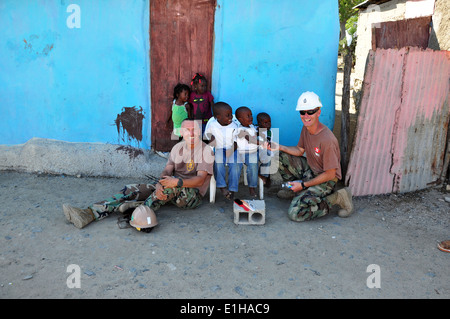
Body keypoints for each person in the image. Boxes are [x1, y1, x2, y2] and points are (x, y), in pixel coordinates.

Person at [63, 119, 214, 231]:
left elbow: (200, 181)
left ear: (199, 131)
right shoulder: (177, 148)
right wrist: (160, 183)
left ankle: (137, 217)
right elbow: (167, 171)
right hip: (172, 187)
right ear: (181, 132)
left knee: (169, 188)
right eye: (187, 130)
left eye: (194, 129)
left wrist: (176, 183)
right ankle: (89, 213)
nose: (191, 133)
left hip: (192, 196)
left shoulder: (205, 150)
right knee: (131, 189)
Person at [267, 91, 353, 222]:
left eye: (310, 112)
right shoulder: (306, 128)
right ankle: (295, 190)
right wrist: (279, 147)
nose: (306, 116)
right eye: (302, 112)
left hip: (327, 180)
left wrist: (303, 184)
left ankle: (337, 197)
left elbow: (331, 174)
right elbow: (299, 150)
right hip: (310, 170)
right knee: (278, 156)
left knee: (296, 213)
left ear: (318, 112)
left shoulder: (327, 140)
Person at [204, 102, 241, 200]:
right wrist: (211, 140)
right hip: (219, 149)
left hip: (233, 148)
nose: (231, 117)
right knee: (218, 162)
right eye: (228, 115)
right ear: (218, 117)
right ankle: (222, 187)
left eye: (231, 114)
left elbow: (237, 141)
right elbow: (207, 135)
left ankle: (232, 189)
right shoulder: (212, 125)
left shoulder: (234, 126)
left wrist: (231, 150)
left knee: (236, 164)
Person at [235, 106, 259, 197]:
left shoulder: (252, 126)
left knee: (253, 166)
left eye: (251, 115)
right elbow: (251, 140)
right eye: (248, 116)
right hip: (241, 153)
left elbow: (255, 134)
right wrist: (262, 142)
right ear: (240, 119)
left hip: (252, 152)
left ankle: (252, 188)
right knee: (236, 166)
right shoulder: (241, 130)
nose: (251, 117)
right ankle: (233, 188)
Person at [256, 112, 274, 187]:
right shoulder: (255, 130)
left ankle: (263, 175)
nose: (268, 124)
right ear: (259, 123)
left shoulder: (269, 132)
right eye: (265, 123)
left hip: (264, 150)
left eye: (269, 122)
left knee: (268, 155)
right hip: (256, 150)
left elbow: (269, 142)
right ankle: (264, 175)